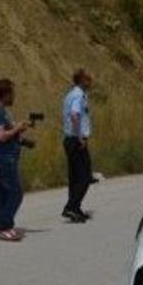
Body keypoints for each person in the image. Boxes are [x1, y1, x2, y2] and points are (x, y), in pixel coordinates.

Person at [0, 78, 31, 242]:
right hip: (4, 157)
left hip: (8, 156)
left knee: (4, 194)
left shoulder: (2, 111)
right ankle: (4, 226)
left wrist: (18, 129)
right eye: (12, 93)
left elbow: (7, 132)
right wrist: (17, 128)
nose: (14, 97)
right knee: (15, 192)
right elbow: (1, 136)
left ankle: (0, 226)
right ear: (5, 94)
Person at [62, 69, 94, 223]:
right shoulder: (78, 96)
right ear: (82, 80)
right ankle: (71, 206)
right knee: (85, 176)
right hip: (76, 140)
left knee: (75, 177)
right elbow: (75, 116)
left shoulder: (70, 94)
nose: (90, 82)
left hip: (70, 139)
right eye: (88, 79)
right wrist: (80, 137)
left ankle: (75, 207)